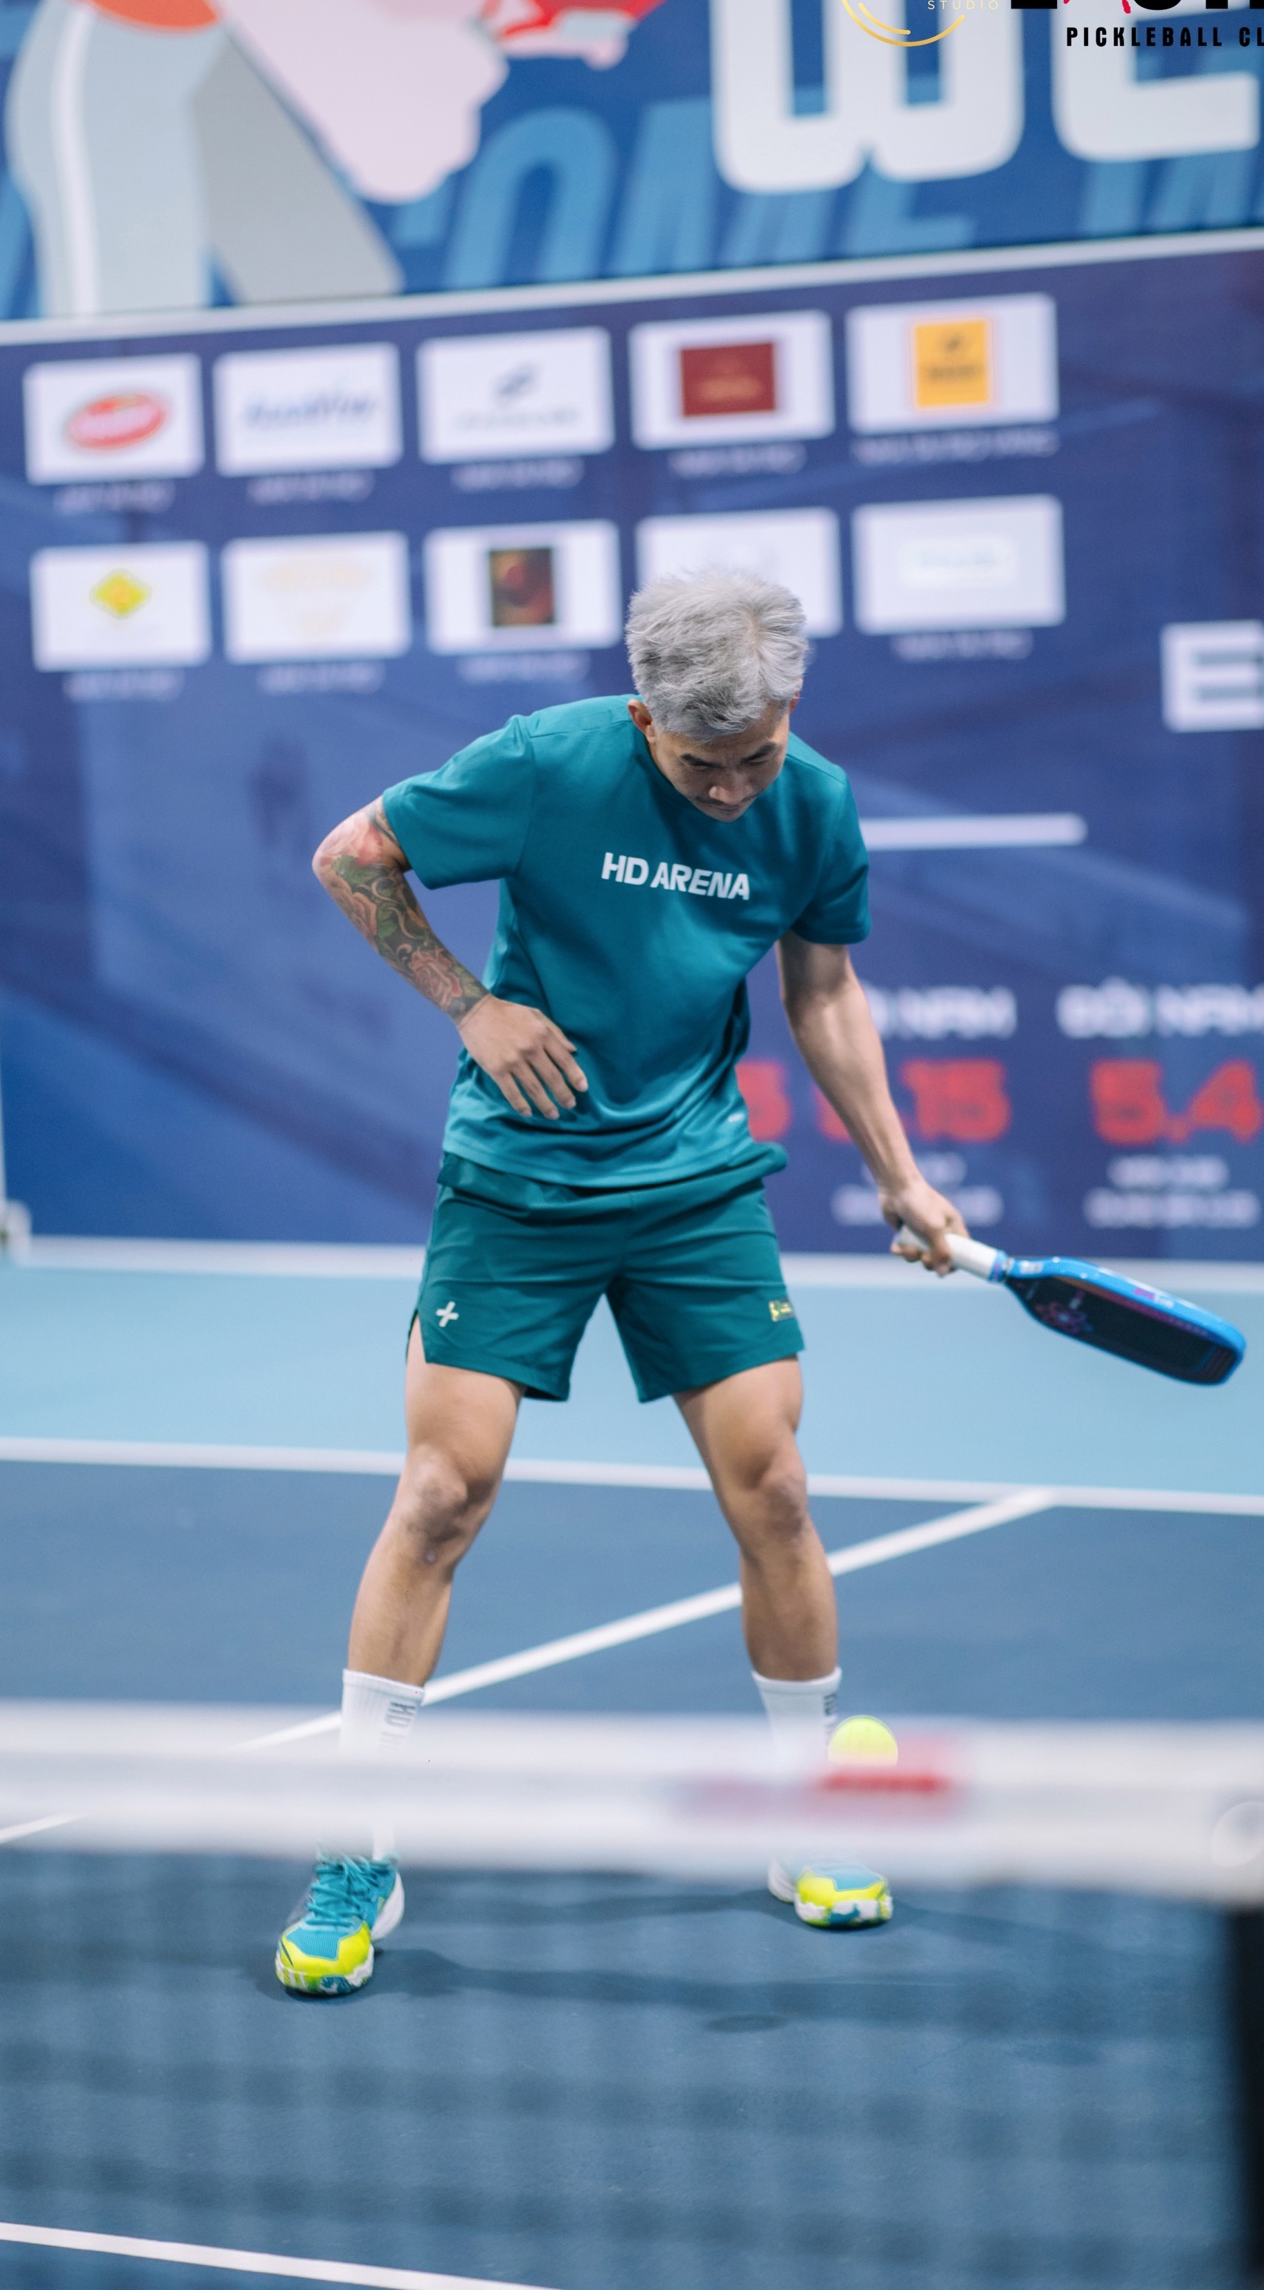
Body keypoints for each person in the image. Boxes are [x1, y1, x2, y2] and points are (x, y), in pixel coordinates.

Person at [278, 569, 964, 1997]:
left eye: (757, 755)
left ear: (792, 710)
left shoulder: (813, 803)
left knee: (775, 1487)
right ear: (645, 717)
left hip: (695, 1182)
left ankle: (806, 1808)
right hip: (519, 1177)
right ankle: (357, 1844)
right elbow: (351, 856)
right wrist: (473, 1005)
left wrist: (898, 1175)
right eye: (704, 764)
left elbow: (822, 992)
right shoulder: (546, 762)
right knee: (440, 1494)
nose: (733, 789)